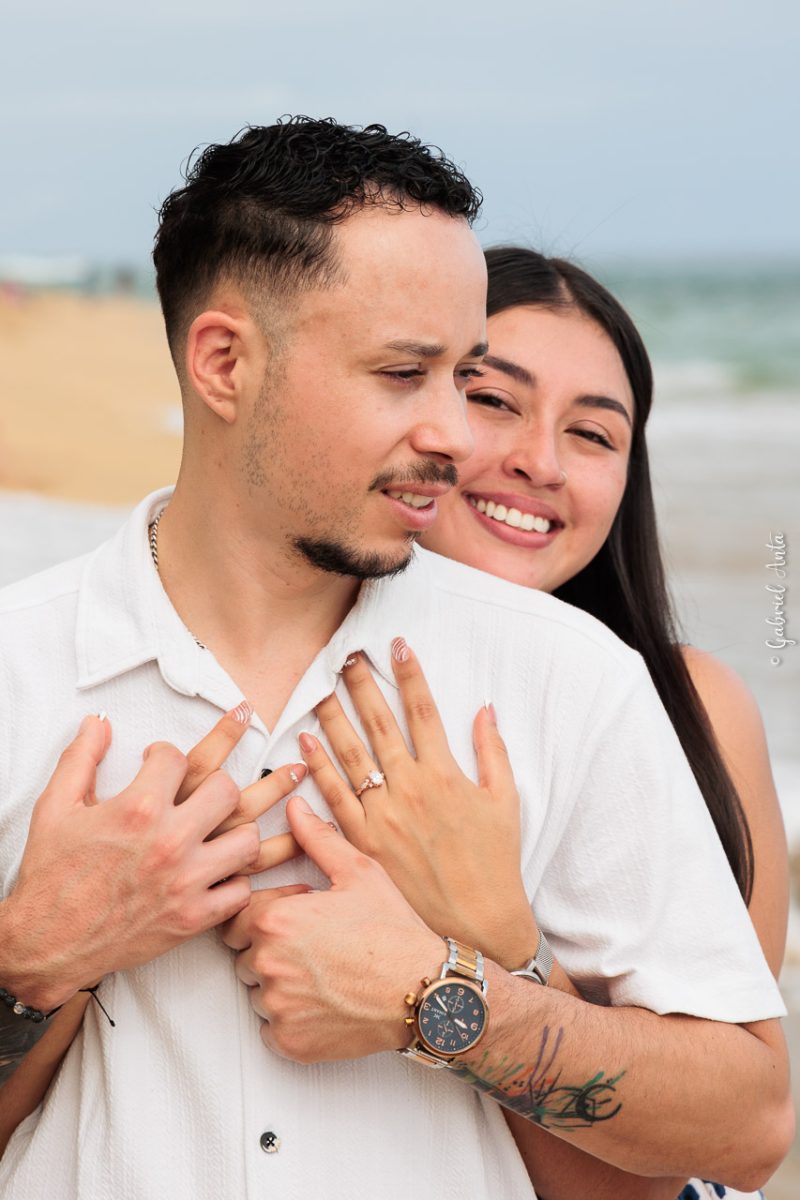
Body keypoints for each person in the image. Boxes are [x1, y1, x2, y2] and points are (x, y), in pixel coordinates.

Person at [0, 120, 791, 1200]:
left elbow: (745, 1129)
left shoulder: (565, 676)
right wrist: (33, 962)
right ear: (224, 363)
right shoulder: (19, 669)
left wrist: (439, 994)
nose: (456, 437)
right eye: (402, 372)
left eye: (459, 375)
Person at [292, 247, 789, 1198]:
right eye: (494, 400)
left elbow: (695, 1152)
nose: (540, 461)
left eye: (594, 435)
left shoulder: (695, 709)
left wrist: (487, 936)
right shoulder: (295, 686)